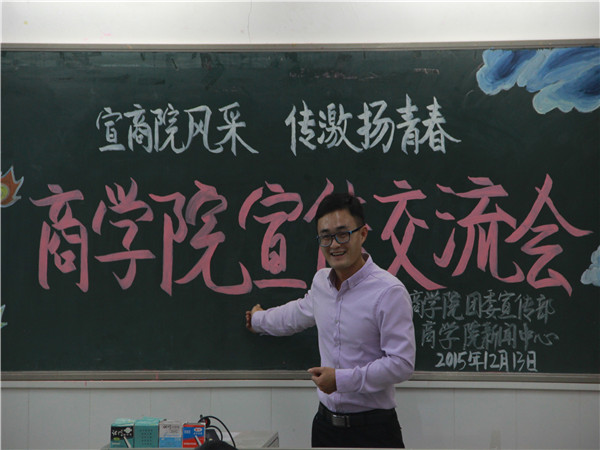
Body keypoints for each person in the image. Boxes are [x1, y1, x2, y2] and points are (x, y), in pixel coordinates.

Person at [245, 192, 415, 448]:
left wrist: (341, 380)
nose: (334, 244)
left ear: (363, 234)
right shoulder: (321, 283)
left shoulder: (388, 292)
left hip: (374, 431)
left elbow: (401, 363)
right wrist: (258, 320)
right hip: (325, 427)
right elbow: (296, 314)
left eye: (342, 234)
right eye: (325, 237)